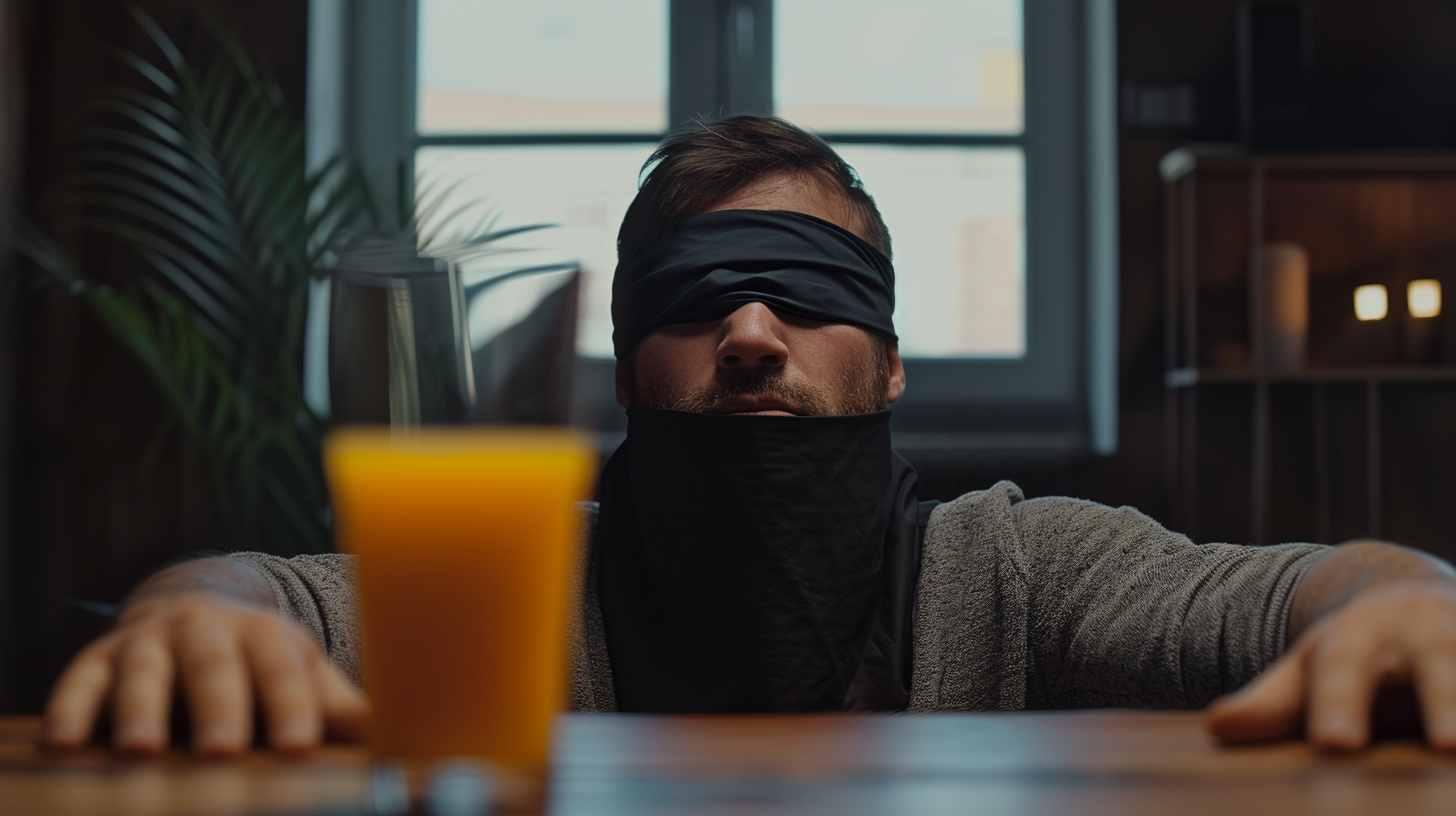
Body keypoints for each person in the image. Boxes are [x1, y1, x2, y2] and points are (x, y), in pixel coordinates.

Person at [43, 116, 1456, 756]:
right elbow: (256, 595)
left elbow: (1288, 591)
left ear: (891, 364)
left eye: (809, 294)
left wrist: (1411, 601)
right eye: (702, 296)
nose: (754, 335)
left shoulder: (1017, 570)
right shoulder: (512, 583)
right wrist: (193, 614)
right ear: (628, 360)